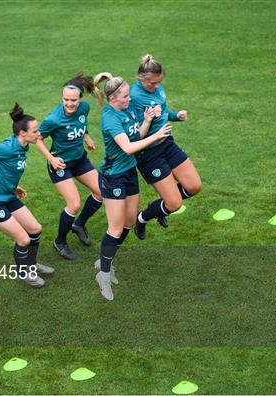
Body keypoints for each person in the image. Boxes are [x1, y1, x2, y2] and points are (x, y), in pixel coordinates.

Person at [92, 72, 172, 300]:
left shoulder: (125, 110)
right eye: (125, 96)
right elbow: (128, 147)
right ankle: (104, 275)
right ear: (113, 99)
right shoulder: (110, 119)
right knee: (115, 228)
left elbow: (135, 136)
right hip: (112, 177)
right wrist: (157, 135)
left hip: (128, 172)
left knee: (128, 222)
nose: (130, 99)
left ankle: (106, 261)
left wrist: (147, 121)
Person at [0, 103, 54, 288]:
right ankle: (24, 272)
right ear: (23, 133)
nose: (39, 134)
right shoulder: (7, 147)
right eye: (36, 131)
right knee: (23, 239)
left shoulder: (24, 147)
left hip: (8, 196)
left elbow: (5, 170)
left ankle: (31, 264)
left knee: (35, 229)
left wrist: (14, 187)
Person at [130, 54, 202, 240]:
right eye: (151, 84)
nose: (155, 87)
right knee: (174, 204)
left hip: (167, 144)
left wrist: (176, 116)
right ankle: (142, 218)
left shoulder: (156, 87)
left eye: (158, 83)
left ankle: (161, 209)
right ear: (141, 79)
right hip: (149, 154)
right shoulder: (134, 97)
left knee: (194, 186)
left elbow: (162, 110)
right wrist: (148, 119)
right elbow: (134, 135)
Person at [36, 72, 103, 260]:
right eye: (66, 100)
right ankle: (60, 241)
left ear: (80, 99)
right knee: (73, 204)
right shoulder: (53, 119)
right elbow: (38, 139)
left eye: (74, 100)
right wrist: (51, 159)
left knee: (101, 191)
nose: (70, 104)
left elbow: (81, 124)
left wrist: (87, 136)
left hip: (80, 159)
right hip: (61, 165)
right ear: (62, 98)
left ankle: (79, 224)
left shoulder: (84, 108)